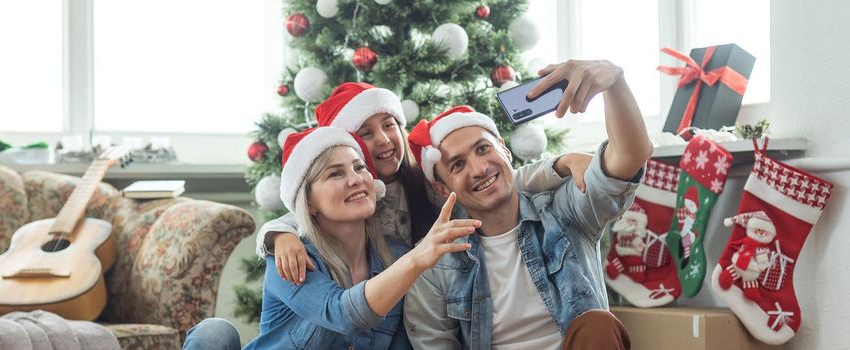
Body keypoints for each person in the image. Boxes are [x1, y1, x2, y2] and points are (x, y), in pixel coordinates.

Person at [404, 59, 652, 350]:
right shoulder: (434, 263)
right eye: (458, 165)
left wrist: (615, 83)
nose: (479, 169)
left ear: (505, 151)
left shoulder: (563, 212)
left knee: (597, 324)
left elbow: (628, 159)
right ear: (442, 188)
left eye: (483, 149)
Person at [257, 82, 593, 285]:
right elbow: (298, 214)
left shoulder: (427, 181)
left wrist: (560, 164)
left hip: (439, 289)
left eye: (389, 125)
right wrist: (280, 236)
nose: (385, 140)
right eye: (366, 133)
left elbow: (506, 180)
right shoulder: (353, 195)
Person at [184, 126, 479, 349]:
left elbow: (402, 341)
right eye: (335, 174)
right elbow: (342, 314)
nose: (355, 179)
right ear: (309, 202)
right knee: (214, 332)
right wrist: (418, 258)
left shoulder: (397, 256)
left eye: (359, 167)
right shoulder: (292, 257)